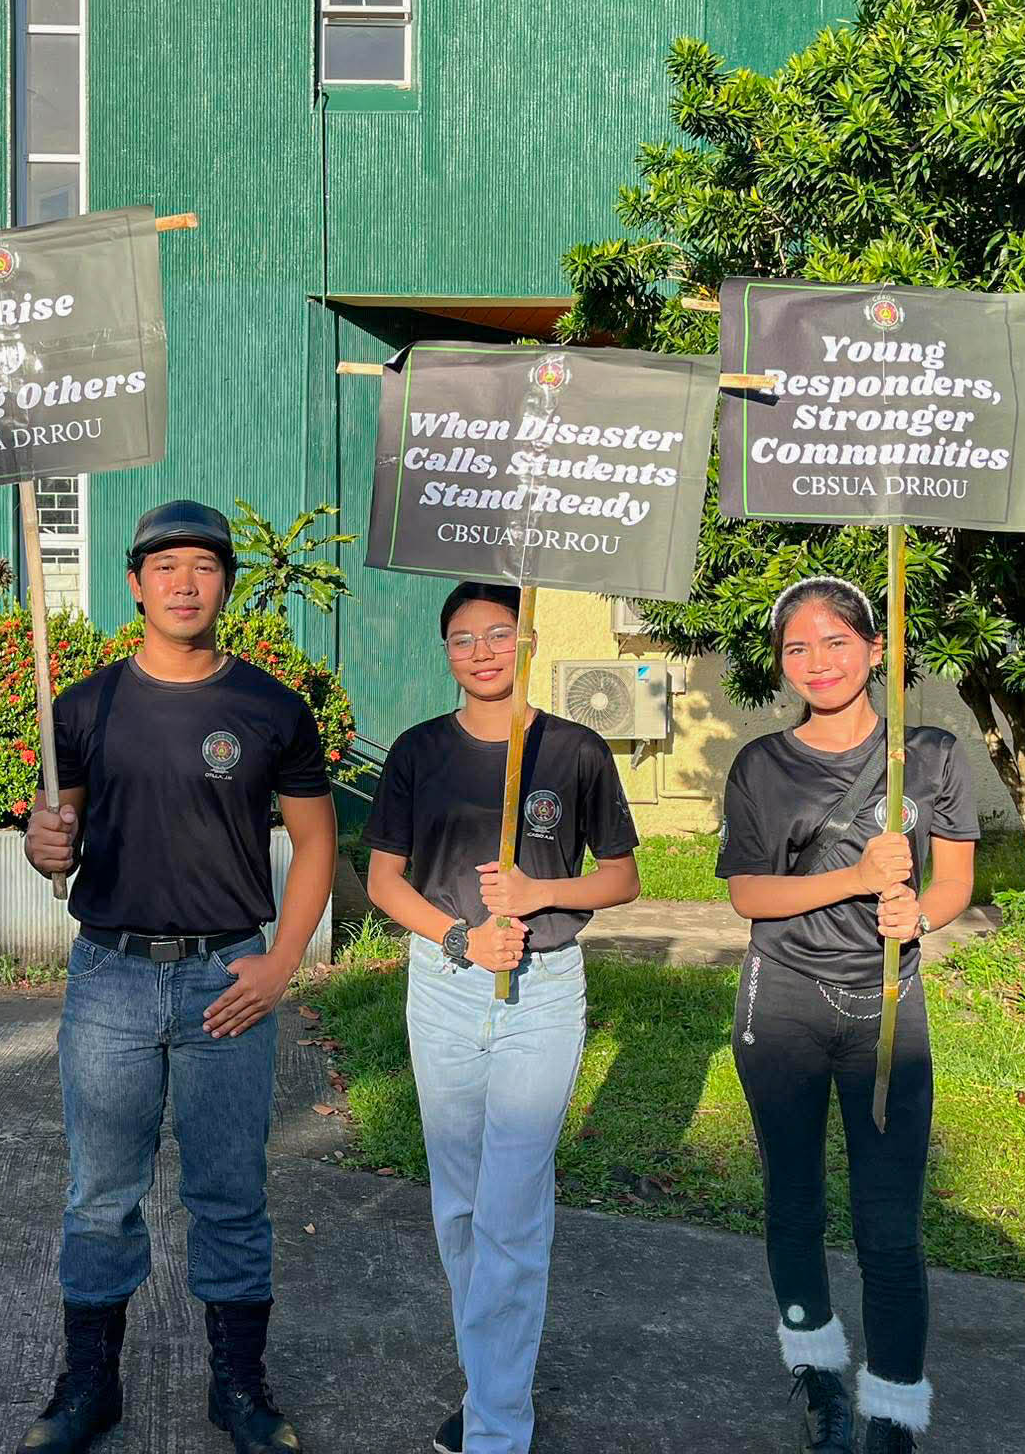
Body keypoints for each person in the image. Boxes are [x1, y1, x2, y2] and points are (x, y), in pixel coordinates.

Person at [18, 499, 338, 1454]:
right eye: (165, 567)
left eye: (204, 566)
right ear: (135, 584)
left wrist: (282, 961)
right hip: (110, 977)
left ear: (226, 584)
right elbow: (55, 834)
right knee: (100, 1194)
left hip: (227, 979)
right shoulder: (84, 706)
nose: (185, 583)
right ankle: (89, 1387)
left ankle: (238, 1387)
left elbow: (318, 844)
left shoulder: (271, 709)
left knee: (231, 1193)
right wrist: (42, 844)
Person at [362, 582, 641, 1454]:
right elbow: (383, 882)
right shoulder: (417, 751)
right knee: (458, 1209)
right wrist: (462, 937)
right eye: (462, 638)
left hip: (544, 990)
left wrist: (540, 893)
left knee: (510, 1212)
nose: (481, 651)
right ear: (445, 650)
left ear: (527, 641)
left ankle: (497, 1428)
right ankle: (489, 1382)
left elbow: (623, 877)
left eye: (498, 634)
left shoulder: (575, 750)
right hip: (447, 984)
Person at [715, 576, 979, 1454]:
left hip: (888, 1004)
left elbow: (955, 881)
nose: (817, 662)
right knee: (793, 1201)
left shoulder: (930, 755)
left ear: (875, 650)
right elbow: (748, 894)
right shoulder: (762, 765)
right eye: (797, 648)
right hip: (783, 999)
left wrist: (919, 916)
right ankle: (819, 1380)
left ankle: (894, 1411)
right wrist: (858, 879)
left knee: (889, 1224)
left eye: (835, 642)